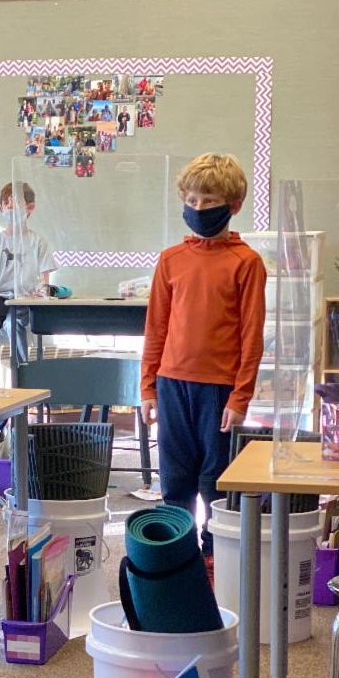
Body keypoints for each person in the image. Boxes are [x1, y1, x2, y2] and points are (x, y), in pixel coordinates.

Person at [139, 153, 266, 578]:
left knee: (215, 480)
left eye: (208, 200)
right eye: (191, 199)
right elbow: (156, 328)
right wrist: (148, 388)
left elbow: (251, 335)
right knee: (175, 479)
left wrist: (240, 396)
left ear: (233, 205)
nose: (197, 208)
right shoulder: (170, 259)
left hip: (219, 389)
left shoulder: (246, 262)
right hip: (172, 384)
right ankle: (178, 558)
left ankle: (214, 557)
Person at [0, 181, 55, 368]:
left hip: (25, 299)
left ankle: (21, 368)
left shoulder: (37, 242)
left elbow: (45, 278)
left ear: (29, 207)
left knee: (15, 325)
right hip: (0, 298)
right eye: (6, 203)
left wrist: (41, 295)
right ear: (1, 208)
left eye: (16, 203)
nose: (10, 207)